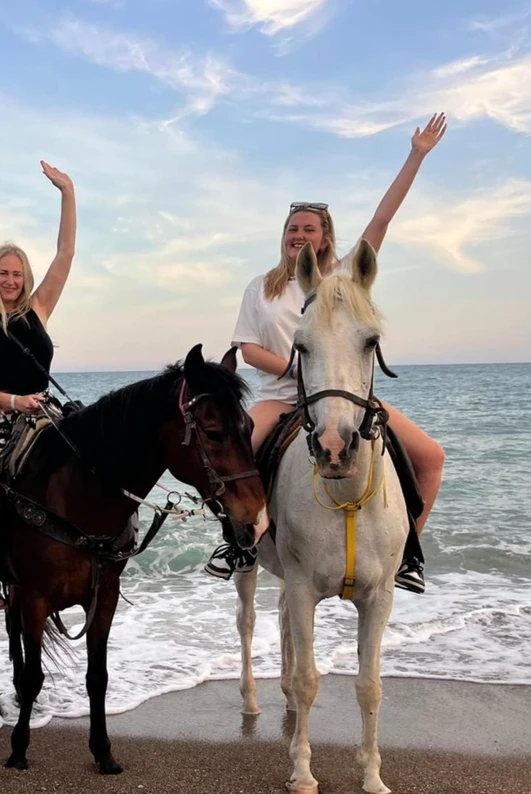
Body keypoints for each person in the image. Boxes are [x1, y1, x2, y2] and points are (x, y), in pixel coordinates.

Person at [208, 113, 449, 594]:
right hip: (282, 398)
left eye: (308, 229)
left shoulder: (343, 277)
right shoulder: (261, 287)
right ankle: (237, 544)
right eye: (292, 228)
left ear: (325, 237)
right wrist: (295, 367)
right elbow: (248, 349)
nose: (298, 235)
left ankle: (406, 555)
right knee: (231, 461)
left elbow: (381, 220)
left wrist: (416, 155)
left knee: (431, 458)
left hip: (345, 395)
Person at [0, 160, 76, 611]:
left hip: (43, 412)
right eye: (4, 273)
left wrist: (67, 192)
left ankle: (94, 551)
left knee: (92, 459)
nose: (10, 280)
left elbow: (65, 254)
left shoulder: (39, 309)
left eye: (17, 274)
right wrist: (11, 401)